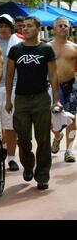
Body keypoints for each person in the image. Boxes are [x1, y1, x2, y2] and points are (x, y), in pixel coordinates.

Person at [5, 16, 61, 190]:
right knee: (23, 138)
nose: (25, 29)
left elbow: (53, 75)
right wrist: (8, 99)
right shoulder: (15, 50)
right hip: (21, 99)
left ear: (38, 29)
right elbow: (9, 75)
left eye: (29, 26)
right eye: (23, 26)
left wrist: (56, 100)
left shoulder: (46, 49)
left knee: (43, 139)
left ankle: (42, 175)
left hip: (41, 98)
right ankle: (28, 166)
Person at [0, 14, 22, 171]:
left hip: (14, 88)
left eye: (6, 26)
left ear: (12, 27)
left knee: (10, 124)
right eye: (1, 26)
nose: (3, 29)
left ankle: (11, 157)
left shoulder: (19, 43)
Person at [49, 17, 77, 162]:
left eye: (65, 25)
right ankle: (57, 137)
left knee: (72, 118)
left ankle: (69, 150)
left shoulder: (74, 47)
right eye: (60, 25)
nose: (63, 28)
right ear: (54, 28)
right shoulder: (47, 47)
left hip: (70, 85)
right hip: (52, 87)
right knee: (54, 120)